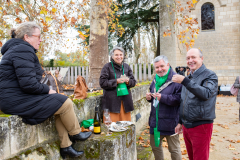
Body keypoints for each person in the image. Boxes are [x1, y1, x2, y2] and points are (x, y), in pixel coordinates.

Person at [0, 22, 92, 159]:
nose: (41, 40)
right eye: (38, 36)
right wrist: (47, 90)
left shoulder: (17, 49)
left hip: (13, 97)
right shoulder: (22, 50)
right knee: (64, 102)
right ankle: (75, 133)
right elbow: (28, 84)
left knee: (59, 103)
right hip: (15, 100)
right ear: (27, 37)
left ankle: (66, 146)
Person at [172, 48, 218, 160]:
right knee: (192, 157)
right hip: (187, 125)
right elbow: (183, 101)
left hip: (201, 125)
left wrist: (185, 81)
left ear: (201, 59)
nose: (190, 60)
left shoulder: (210, 75)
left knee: (200, 158)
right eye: (188, 58)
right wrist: (179, 122)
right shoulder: (188, 78)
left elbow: (206, 93)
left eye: (193, 57)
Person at [146, 55, 182, 160]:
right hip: (155, 122)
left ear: (168, 65)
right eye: (157, 67)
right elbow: (153, 96)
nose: (159, 69)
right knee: (155, 148)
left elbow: (178, 99)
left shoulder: (176, 80)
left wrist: (162, 97)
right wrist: (149, 97)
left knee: (174, 150)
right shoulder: (155, 79)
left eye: (162, 66)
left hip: (170, 122)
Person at [99, 46, 136, 122]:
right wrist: (116, 81)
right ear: (112, 56)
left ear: (123, 56)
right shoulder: (107, 67)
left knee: (126, 127)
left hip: (125, 103)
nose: (119, 57)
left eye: (121, 54)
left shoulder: (126, 67)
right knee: (112, 128)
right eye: (116, 55)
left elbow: (134, 82)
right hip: (111, 103)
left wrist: (128, 81)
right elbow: (102, 83)